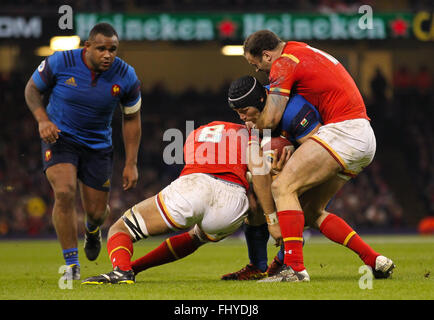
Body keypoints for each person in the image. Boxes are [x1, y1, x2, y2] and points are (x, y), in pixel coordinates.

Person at [241, 30, 395, 282]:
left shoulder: (283, 62)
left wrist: (252, 128)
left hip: (344, 131)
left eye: (255, 62)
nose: (257, 69)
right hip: (363, 135)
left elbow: (270, 119)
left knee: (283, 186)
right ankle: (373, 259)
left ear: (267, 55)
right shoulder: (300, 49)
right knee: (311, 211)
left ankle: (295, 269)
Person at [81, 121, 279, 284]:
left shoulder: (195, 136)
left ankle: (122, 270)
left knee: (121, 229)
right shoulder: (250, 135)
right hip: (232, 202)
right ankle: (134, 269)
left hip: (195, 186)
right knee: (195, 237)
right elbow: (259, 171)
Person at [24, 23, 142, 280]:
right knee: (64, 192)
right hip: (60, 138)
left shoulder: (126, 76)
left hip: (98, 146)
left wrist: (131, 162)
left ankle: (92, 231)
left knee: (98, 213)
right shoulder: (61, 61)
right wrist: (43, 120)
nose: (108, 55)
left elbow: (131, 118)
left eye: (113, 49)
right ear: (87, 47)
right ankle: (71, 264)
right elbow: (32, 89)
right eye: (101, 49)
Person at [221, 75, 322, 281]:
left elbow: (320, 153)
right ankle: (257, 266)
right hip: (281, 168)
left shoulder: (295, 111)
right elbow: (255, 162)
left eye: (244, 111)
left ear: (260, 102)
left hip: (317, 160)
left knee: (305, 210)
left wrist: (289, 163)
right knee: (254, 205)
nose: (241, 118)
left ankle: (287, 263)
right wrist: (271, 219)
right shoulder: (255, 118)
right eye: (237, 113)